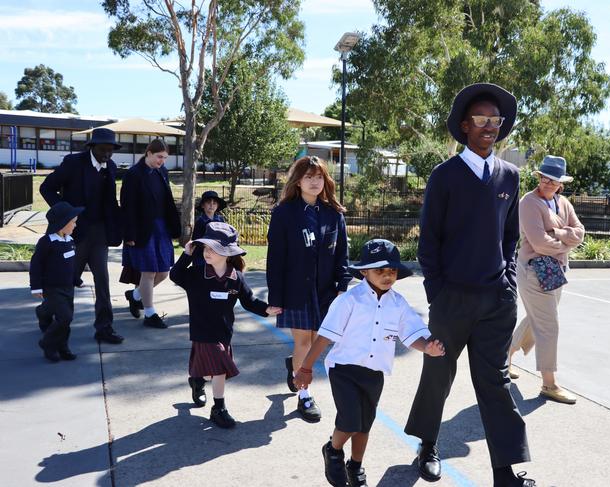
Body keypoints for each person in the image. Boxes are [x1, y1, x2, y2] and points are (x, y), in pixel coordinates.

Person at [404, 83, 534, 487]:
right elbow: (429, 242)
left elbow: (509, 237)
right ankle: (427, 446)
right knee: (438, 375)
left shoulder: (510, 176)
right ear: (464, 125)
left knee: (495, 383)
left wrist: (509, 283)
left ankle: (505, 472)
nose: (489, 126)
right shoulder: (444, 177)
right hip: (452, 300)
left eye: (495, 120)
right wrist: (438, 294)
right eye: (480, 119)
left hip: (496, 301)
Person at [294, 239, 445, 487]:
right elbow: (324, 337)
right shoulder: (349, 301)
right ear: (364, 271)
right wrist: (306, 368)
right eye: (380, 271)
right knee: (350, 420)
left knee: (364, 426)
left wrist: (427, 347)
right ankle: (332, 450)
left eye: (392, 271)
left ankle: (355, 467)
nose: (387, 276)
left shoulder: (398, 304)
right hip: (344, 370)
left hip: (374, 374)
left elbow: (411, 335)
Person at [169, 222, 281, 428]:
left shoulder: (236, 278)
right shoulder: (196, 275)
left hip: (223, 333)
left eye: (213, 249)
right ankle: (218, 408)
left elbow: (249, 302)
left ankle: (197, 380)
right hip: (202, 331)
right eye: (205, 248)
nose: (207, 252)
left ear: (227, 253)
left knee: (210, 369)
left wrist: (267, 309)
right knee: (220, 368)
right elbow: (175, 275)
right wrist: (186, 255)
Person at [266, 155, 352, 422]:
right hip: (296, 291)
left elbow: (342, 254)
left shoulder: (333, 213)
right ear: (298, 180)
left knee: (316, 342)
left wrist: (342, 284)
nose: (314, 182)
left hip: (326, 291)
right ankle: (304, 395)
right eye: (308, 177)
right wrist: (276, 297)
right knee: (304, 341)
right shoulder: (284, 213)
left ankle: (295, 364)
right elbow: (275, 258)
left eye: (319, 177)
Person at [509, 155, 584, 404]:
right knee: (549, 326)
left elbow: (580, 233)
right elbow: (539, 242)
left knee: (536, 319)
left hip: (556, 272)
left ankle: (503, 357)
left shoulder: (563, 203)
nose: (548, 183)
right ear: (539, 177)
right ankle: (549, 384)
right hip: (534, 272)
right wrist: (566, 242)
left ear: (561, 183)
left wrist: (558, 233)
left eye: (554, 180)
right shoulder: (529, 203)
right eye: (544, 178)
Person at [40, 128, 124, 344]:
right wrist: (63, 215)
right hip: (74, 232)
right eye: (103, 150)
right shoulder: (73, 164)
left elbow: (110, 201)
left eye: (110, 151)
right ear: (92, 147)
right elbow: (46, 188)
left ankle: (104, 328)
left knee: (102, 280)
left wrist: (117, 228)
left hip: (99, 233)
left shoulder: (111, 167)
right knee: (65, 282)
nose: (106, 154)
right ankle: (46, 314)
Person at [120, 139, 181, 328]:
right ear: (148, 153)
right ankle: (149, 313)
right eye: (159, 156)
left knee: (163, 272)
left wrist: (175, 226)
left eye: (164, 157)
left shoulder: (162, 172)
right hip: (141, 230)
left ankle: (135, 295)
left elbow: (167, 201)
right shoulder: (133, 174)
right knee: (148, 272)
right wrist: (129, 234)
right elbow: (127, 206)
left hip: (161, 228)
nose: (162, 161)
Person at [30, 202, 85, 362]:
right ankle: (48, 344)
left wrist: (77, 280)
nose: (75, 225)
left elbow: (71, 266)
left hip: (68, 288)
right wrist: (36, 287)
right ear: (62, 224)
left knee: (66, 319)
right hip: (52, 288)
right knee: (65, 317)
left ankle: (62, 346)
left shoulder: (69, 240)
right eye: (73, 222)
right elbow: (36, 265)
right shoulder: (47, 242)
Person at [191, 190, 227, 267]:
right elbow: (196, 240)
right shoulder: (200, 221)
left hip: (217, 252)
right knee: (202, 274)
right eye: (208, 203)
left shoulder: (220, 220)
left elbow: (224, 235)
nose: (211, 205)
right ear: (203, 205)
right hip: (202, 254)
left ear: (217, 206)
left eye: (214, 203)